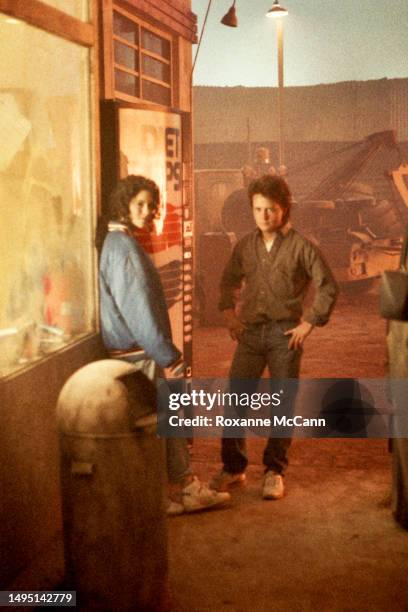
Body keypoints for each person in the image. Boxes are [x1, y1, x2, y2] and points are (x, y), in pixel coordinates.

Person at [99, 174, 230, 514]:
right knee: (162, 423)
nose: (147, 211)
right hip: (139, 354)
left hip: (136, 352)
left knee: (163, 423)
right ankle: (178, 490)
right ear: (124, 204)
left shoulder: (120, 243)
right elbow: (139, 311)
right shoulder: (124, 248)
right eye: (139, 203)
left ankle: (178, 489)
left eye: (151, 205)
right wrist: (167, 355)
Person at [212, 174, 339, 500]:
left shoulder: (302, 246)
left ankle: (274, 471)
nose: (263, 216)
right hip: (251, 335)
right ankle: (233, 467)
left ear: (284, 209)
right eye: (257, 209)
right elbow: (227, 282)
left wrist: (309, 323)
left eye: (270, 209)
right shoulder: (245, 246)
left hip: (286, 337)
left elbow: (327, 286)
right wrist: (229, 315)